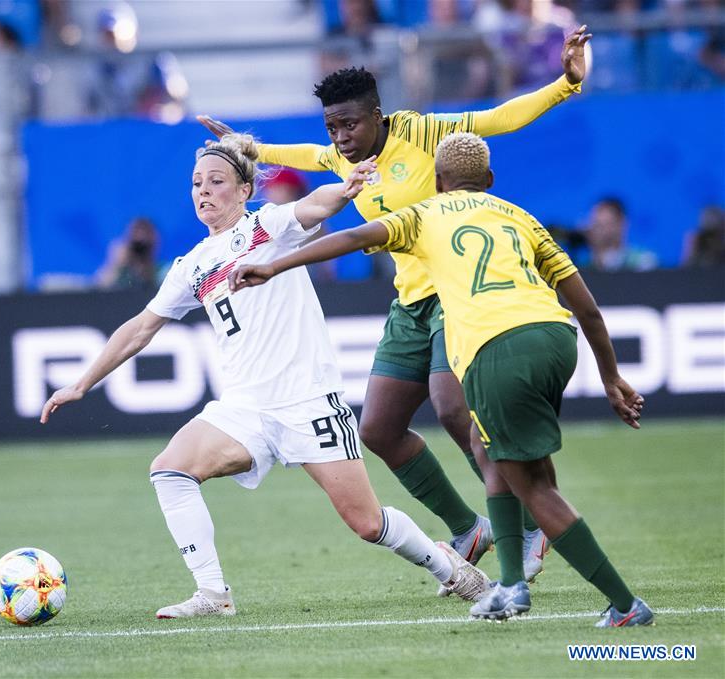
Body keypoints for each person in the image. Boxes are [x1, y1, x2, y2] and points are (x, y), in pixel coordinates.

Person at [199, 24, 593, 585]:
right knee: (379, 429)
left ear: (379, 115)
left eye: (351, 124)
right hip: (410, 304)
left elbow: (498, 118)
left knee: (454, 409)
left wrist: (565, 85)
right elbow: (306, 155)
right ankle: (469, 528)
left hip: (457, 297)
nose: (341, 137)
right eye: (333, 126)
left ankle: (527, 525)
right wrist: (250, 147)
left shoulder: (423, 131)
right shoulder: (342, 159)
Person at [40, 133, 490, 618]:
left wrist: (346, 188)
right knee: (169, 470)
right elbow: (141, 328)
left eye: (216, 181)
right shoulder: (191, 267)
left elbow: (315, 205)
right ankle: (213, 594)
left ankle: (450, 567)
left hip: (308, 403)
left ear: (244, 191)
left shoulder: (267, 228)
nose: (204, 191)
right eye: (196, 183)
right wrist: (83, 383)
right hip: (244, 410)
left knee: (366, 522)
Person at [228, 132, 654, 628]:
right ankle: (511, 585)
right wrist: (612, 378)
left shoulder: (424, 214)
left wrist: (274, 265)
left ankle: (624, 605)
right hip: (557, 338)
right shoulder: (519, 216)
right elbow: (587, 308)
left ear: (436, 180)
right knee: (486, 445)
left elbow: (349, 238)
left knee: (532, 484)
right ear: (489, 181)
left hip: (498, 346)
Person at [584, 197, 658, 272]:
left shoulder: (642, 261)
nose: (598, 231)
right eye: (596, 225)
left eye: (605, 225)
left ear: (622, 224)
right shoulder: (582, 263)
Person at [95, 217, 166, 290]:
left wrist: (147, 270)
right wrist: (113, 264)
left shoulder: (163, 271)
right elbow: (99, 289)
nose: (141, 240)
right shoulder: (120, 274)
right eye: (136, 235)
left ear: (156, 242)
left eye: (146, 235)